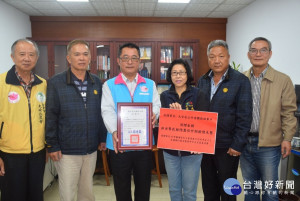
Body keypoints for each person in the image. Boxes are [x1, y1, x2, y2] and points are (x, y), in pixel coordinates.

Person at [45, 39, 107, 201]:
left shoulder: (96, 82)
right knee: (68, 192)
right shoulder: (56, 82)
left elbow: (101, 113)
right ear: (68, 58)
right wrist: (52, 145)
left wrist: (102, 138)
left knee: (86, 191)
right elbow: (50, 116)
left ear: (90, 57)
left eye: (85, 54)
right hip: (66, 150)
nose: (81, 58)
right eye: (77, 54)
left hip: (91, 148)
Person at [101, 42, 161, 201]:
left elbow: (156, 104)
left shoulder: (150, 84)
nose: (130, 62)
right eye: (125, 58)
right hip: (118, 144)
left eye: (134, 58)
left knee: (144, 186)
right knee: (121, 187)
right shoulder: (109, 85)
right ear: (118, 61)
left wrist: (154, 113)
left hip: (144, 144)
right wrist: (115, 131)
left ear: (140, 62)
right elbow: (107, 110)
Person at [240, 37, 297, 201]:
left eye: (263, 50)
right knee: (250, 189)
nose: (258, 54)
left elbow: (289, 112)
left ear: (270, 53)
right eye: (254, 50)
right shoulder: (241, 79)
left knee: (269, 191)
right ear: (248, 54)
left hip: (270, 145)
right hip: (245, 143)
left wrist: (287, 138)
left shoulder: (283, 80)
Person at [197, 39, 252, 201]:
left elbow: (245, 115)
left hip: (228, 147)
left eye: (221, 56)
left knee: (228, 189)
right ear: (208, 59)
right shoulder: (203, 80)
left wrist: (237, 144)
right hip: (206, 145)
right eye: (212, 56)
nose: (216, 60)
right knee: (209, 187)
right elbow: (200, 112)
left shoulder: (240, 81)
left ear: (228, 57)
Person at [0, 39, 47, 201]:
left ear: (36, 58)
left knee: (35, 195)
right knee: (13, 195)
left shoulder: (43, 85)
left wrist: (47, 146)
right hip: (10, 153)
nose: (27, 58)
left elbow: (48, 118)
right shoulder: (1, 83)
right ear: (12, 57)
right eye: (22, 54)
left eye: (31, 54)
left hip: (38, 153)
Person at [160, 59, 209, 201]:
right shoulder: (165, 96)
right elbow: (164, 124)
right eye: (174, 73)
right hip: (170, 151)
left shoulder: (198, 94)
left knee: (189, 192)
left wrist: (182, 115)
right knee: (174, 190)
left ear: (187, 74)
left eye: (181, 72)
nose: (178, 76)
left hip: (192, 151)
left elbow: (205, 123)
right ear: (170, 75)